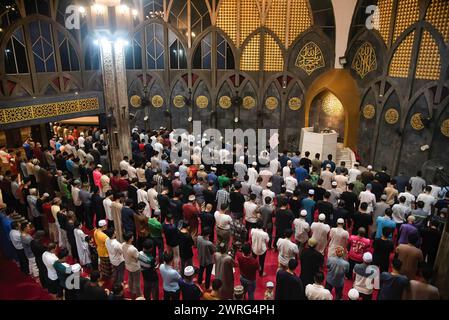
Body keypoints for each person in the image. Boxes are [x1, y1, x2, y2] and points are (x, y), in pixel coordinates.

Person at [122, 232, 141, 299]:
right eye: (132, 237)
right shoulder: (133, 249)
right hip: (135, 267)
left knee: (130, 279)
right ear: (130, 239)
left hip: (128, 265)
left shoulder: (123, 244)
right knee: (137, 282)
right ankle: (138, 295)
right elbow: (137, 257)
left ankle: (131, 289)